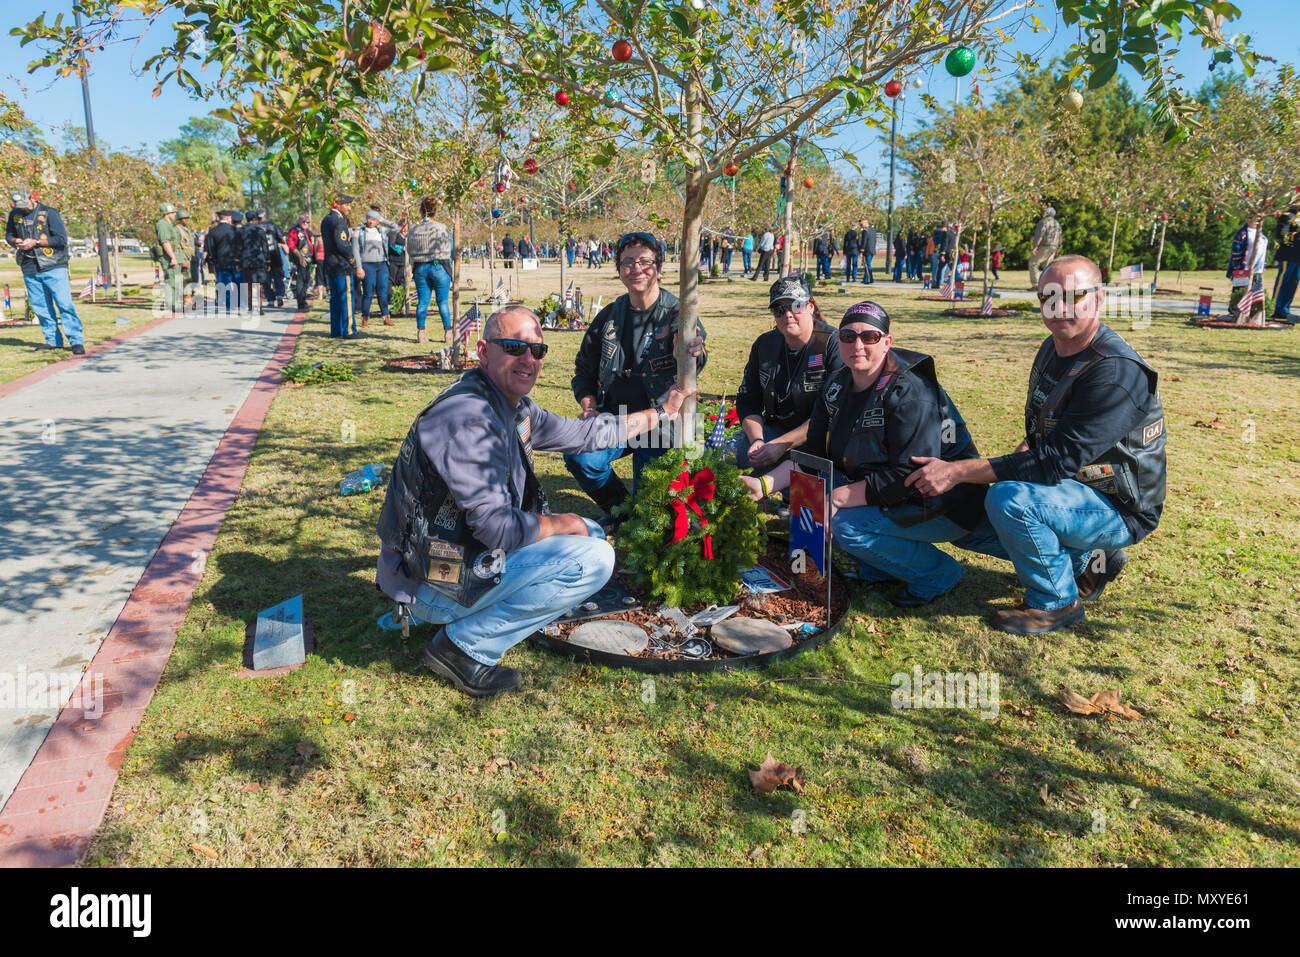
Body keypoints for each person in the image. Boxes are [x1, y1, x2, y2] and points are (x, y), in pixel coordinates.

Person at [375, 304, 695, 697]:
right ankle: (464, 647)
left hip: (449, 557)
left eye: (537, 351)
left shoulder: (510, 404)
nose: (528, 359)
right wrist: (564, 523)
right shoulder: (470, 418)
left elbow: (584, 435)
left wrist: (662, 411)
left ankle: (489, 618)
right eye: (513, 347)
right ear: (483, 351)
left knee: (592, 531)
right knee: (593, 558)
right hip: (434, 578)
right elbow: (497, 527)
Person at [906, 254, 1166, 634]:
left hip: (1119, 505)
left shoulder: (1115, 372)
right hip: (1071, 491)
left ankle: (1057, 604)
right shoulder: (1054, 346)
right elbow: (1043, 435)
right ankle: (1088, 560)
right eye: (1048, 297)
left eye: (1073, 296)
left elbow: (1056, 461)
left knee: (1009, 501)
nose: (1059, 307)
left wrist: (958, 471)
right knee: (970, 513)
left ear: (1099, 299)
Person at [742, 300, 1000, 607]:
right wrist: (764, 485)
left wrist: (835, 500)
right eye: (848, 336)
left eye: (870, 337)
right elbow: (812, 455)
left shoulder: (910, 392)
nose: (858, 345)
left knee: (846, 525)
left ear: (887, 342)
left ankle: (938, 574)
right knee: (812, 493)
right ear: (839, 340)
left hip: (944, 499)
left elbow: (909, 476)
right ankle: (881, 566)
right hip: (886, 486)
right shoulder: (836, 384)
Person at [566, 231, 707, 524]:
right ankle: (620, 509)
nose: (636, 269)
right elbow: (584, 371)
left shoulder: (677, 314)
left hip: (664, 419)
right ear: (619, 270)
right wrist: (590, 405)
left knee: (652, 511)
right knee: (580, 456)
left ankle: (640, 514)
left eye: (645, 261)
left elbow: (695, 355)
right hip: (617, 414)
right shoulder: (609, 317)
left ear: (658, 267)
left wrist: (691, 349)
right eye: (628, 263)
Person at [732, 276, 842, 471]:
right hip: (775, 432)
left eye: (796, 306)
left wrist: (781, 444)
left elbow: (832, 415)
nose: (788, 314)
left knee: (804, 481)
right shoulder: (764, 345)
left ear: (811, 306)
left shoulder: (833, 344)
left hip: (821, 440)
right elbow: (748, 401)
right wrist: (757, 439)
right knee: (731, 456)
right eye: (779, 309)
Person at [5, 188, 86, 353]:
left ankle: (76, 341)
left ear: (32, 198)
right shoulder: (15, 215)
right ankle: (53, 341)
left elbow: (61, 239)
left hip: (54, 265)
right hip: (29, 266)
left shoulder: (49, 213)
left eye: (25, 203)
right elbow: (9, 234)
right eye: (19, 205)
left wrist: (35, 242)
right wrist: (15, 241)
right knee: (41, 307)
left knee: (64, 304)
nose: (23, 208)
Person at [407, 196, 454, 344]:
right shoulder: (441, 228)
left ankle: (421, 333)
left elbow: (409, 249)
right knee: (443, 302)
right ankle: (447, 333)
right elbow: (449, 249)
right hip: (438, 265)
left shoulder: (414, 229)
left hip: (420, 267)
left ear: (421, 211)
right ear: (435, 211)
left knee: (423, 302)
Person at [321, 194, 364, 338]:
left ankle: (336, 330)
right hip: (341, 265)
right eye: (347, 204)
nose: (349, 208)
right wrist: (352, 259)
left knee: (335, 299)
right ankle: (349, 330)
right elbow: (343, 244)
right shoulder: (338, 221)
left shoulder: (326, 219)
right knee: (346, 298)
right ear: (337, 204)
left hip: (331, 265)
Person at [352, 208, 392, 328]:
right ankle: (365, 319)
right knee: (368, 293)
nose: (371, 221)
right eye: (369, 218)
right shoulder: (359, 231)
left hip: (382, 264)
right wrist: (359, 267)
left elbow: (397, 228)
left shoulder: (382, 231)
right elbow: (355, 250)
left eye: (374, 219)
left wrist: (383, 220)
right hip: (367, 265)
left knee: (383, 292)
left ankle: (386, 317)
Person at [1226, 213, 1268, 326]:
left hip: (1257, 269)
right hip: (1243, 268)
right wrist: (1237, 267)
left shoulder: (1262, 235)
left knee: (1256, 291)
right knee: (1239, 291)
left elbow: (1263, 252)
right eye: (1255, 219)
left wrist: (1263, 265)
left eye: (1260, 220)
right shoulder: (1242, 234)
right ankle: (1235, 313)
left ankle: (1253, 314)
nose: (1257, 222)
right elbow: (1236, 251)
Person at [206, 209, 238, 312]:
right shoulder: (234, 230)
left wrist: (213, 258)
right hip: (234, 261)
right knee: (235, 282)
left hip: (220, 261)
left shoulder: (213, 231)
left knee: (223, 283)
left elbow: (210, 248)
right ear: (227, 217)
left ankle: (226, 304)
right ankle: (236, 303)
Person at [154, 202, 183, 316]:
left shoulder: (170, 224)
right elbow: (165, 242)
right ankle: (172, 304)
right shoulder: (162, 224)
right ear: (166, 213)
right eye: (172, 212)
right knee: (171, 280)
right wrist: (173, 257)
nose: (175, 214)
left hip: (176, 255)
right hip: (169, 257)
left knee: (176, 280)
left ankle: (176, 303)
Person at [1273, 203, 1300, 321]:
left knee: (1293, 284)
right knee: (1283, 282)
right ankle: (1274, 308)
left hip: (1298, 256)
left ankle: (1284, 310)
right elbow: (1281, 233)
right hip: (1288, 255)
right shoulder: (1288, 216)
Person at [239, 210, 269, 315]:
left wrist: (238, 261)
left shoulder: (240, 231)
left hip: (245, 260)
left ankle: (250, 307)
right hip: (258, 259)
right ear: (254, 220)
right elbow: (265, 248)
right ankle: (259, 308)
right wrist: (267, 261)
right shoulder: (260, 231)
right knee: (259, 284)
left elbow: (238, 247)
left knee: (248, 284)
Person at [286, 214, 317, 311]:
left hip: (308, 259)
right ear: (299, 221)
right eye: (303, 221)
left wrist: (314, 260)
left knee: (305, 281)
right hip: (300, 260)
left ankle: (303, 301)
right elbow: (291, 245)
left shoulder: (307, 231)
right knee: (300, 282)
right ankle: (301, 303)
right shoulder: (294, 230)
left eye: (307, 222)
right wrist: (300, 257)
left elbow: (311, 246)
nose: (306, 223)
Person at [1028, 206, 1062, 286]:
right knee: (1047, 267)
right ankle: (1047, 285)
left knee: (1033, 263)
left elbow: (1040, 234)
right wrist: (1058, 247)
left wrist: (1035, 246)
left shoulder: (1043, 222)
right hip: (1053, 247)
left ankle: (1035, 285)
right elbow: (1060, 236)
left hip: (1044, 246)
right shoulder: (1057, 223)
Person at [174, 210, 196, 309]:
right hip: (185, 258)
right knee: (185, 281)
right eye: (184, 218)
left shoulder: (186, 229)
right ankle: (186, 302)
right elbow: (177, 246)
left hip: (191, 258)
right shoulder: (177, 230)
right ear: (179, 219)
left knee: (192, 280)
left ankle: (191, 299)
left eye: (187, 218)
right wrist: (182, 260)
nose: (186, 220)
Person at [860, 219, 877, 284]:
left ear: (865, 223)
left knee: (867, 265)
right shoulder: (873, 230)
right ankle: (866, 278)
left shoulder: (865, 231)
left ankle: (869, 279)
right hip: (872, 250)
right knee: (867, 265)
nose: (861, 226)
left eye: (862, 224)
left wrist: (861, 251)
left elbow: (864, 242)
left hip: (867, 250)